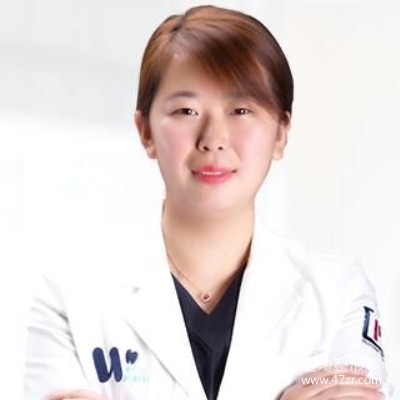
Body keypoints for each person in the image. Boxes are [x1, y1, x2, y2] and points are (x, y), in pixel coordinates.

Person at [24, 5, 395, 400]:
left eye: (241, 110)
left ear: (281, 133)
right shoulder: (68, 298)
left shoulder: (337, 294)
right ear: (145, 131)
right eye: (186, 111)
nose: (214, 139)